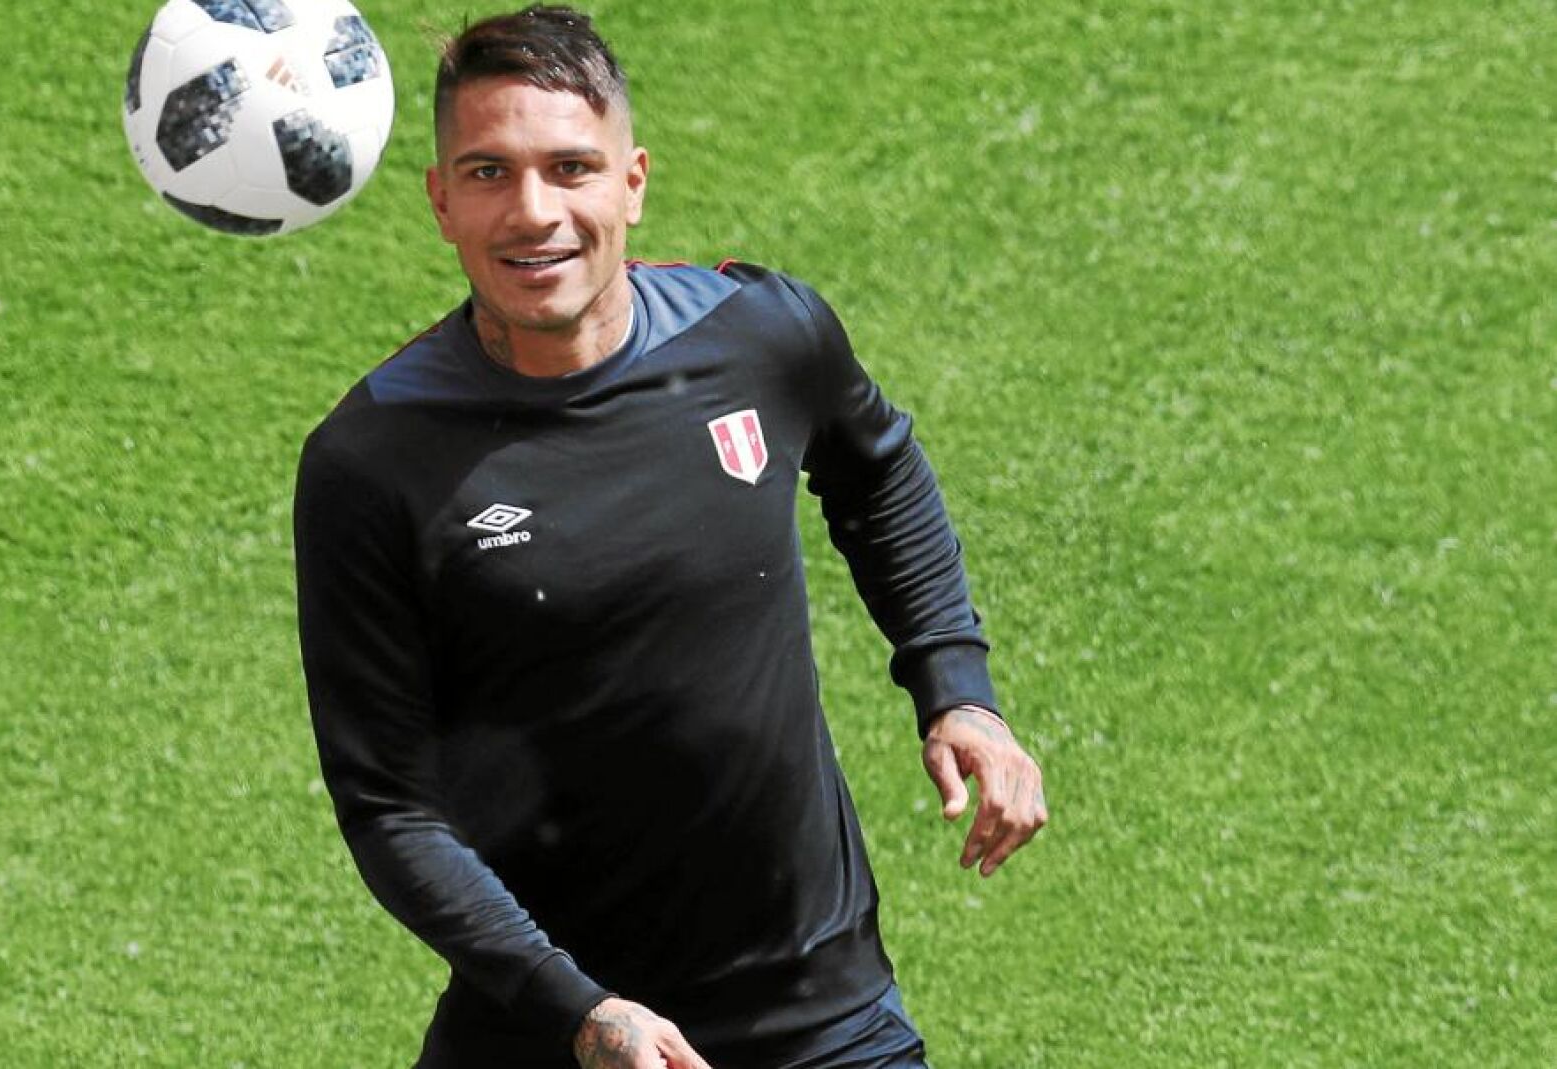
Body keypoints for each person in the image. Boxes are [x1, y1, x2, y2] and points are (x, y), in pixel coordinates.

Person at [293, 6, 1048, 1067]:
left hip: (820, 1013)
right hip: (548, 1034)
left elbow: (877, 468)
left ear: (632, 182)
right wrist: (581, 1011)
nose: (534, 212)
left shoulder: (757, 335)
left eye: (571, 168)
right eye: (488, 173)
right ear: (440, 201)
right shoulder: (376, 458)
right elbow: (388, 806)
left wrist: (957, 687)